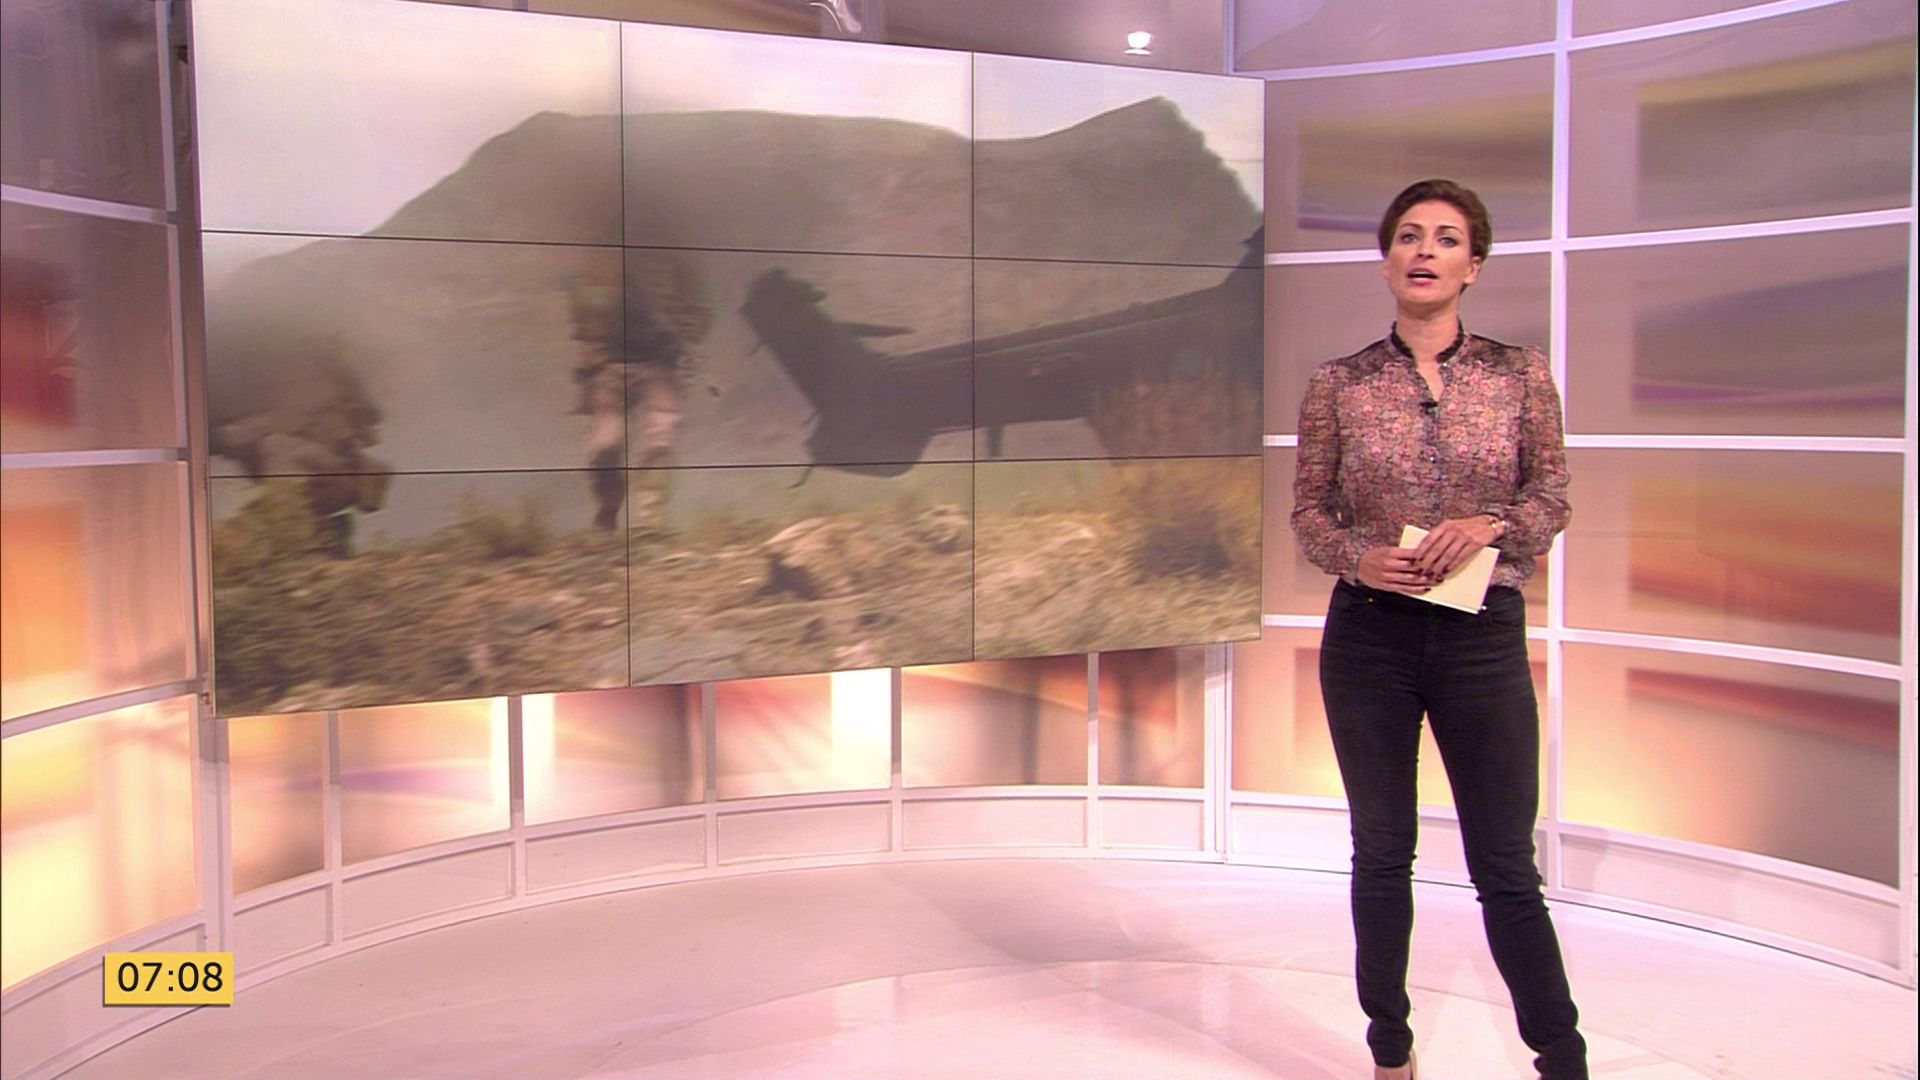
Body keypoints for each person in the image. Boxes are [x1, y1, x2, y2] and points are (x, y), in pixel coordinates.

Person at [1291, 179, 1586, 1080]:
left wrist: (1491, 525)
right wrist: (1357, 558)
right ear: (1387, 261)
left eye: (1447, 238)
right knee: (1383, 854)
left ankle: (1561, 1058)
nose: (1425, 251)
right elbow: (1309, 514)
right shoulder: (1338, 385)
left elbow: (1552, 497)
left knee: (1506, 864)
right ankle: (1391, 1050)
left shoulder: (1520, 374)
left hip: (1479, 637)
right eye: (1409, 236)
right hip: (1369, 640)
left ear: (1474, 266)